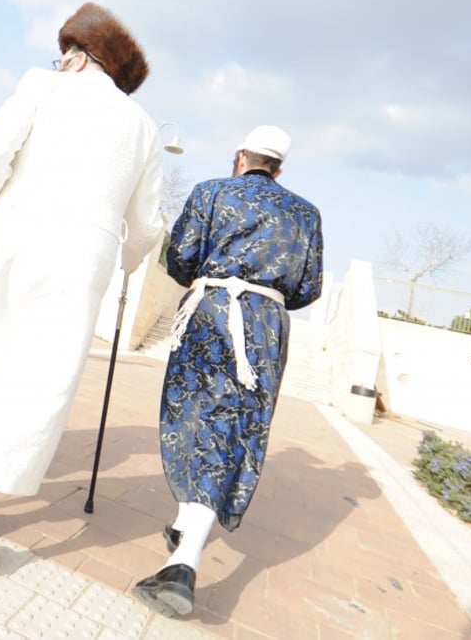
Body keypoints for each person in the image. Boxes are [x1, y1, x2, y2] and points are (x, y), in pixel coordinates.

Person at [0, 2, 165, 590]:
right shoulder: (144, 127)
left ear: (78, 56)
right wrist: (123, 263)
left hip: (10, 239)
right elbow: (147, 223)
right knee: (29, 385)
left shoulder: (43, 85)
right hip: (79, 264)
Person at [132, 125, 324, 618]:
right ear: (279, 169)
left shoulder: (211, 192)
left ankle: (184, 560)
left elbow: (180, 260)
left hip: (210, 312)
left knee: (191, 417)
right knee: (237, 428)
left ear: (241, 157)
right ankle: (185, 527)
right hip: (266, 326)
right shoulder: (307, 213)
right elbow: (308, 288)